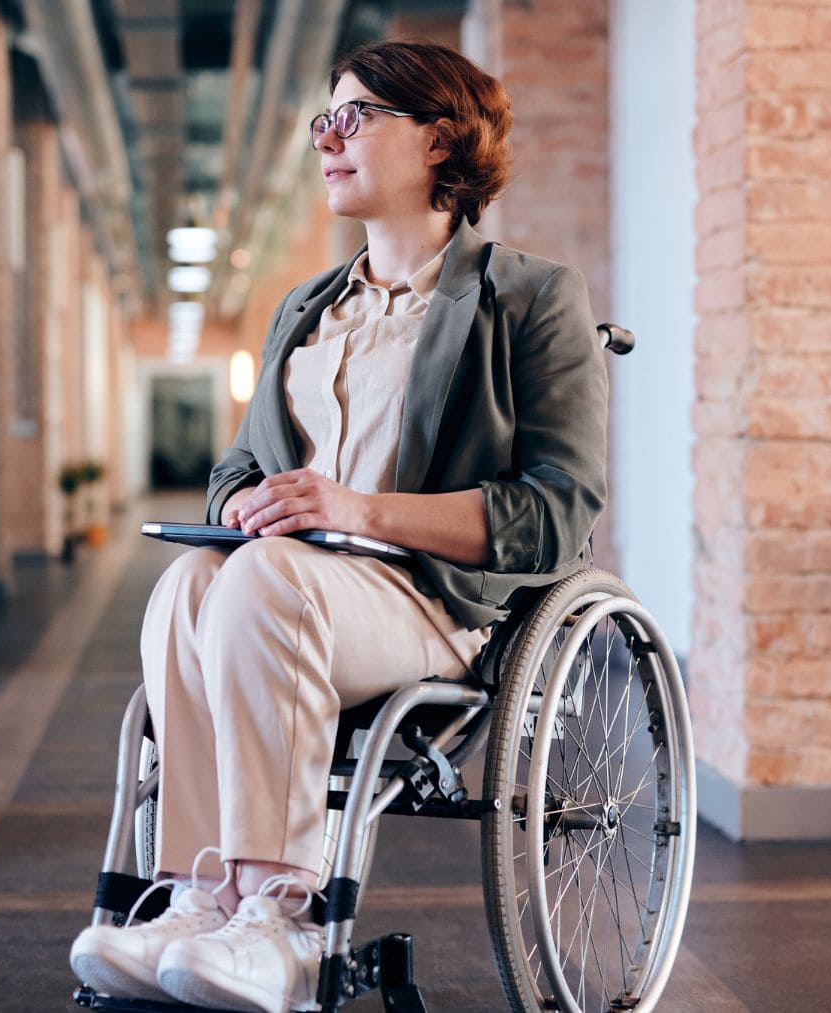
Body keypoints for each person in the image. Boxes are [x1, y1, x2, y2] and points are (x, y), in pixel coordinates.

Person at [71, 39, 608, 1013]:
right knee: (192, 579)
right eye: (323, 118)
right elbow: (239, 462)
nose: (328, 136)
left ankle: (281, 915)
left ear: (440, 138)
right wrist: (241, 501)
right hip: (286, 591)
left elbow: (560, 513)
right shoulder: (307, 308)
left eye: (354, 115)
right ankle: (202, 895)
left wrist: (357, 509)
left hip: (428, 604)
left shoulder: (528, 298)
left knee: (261, 581)